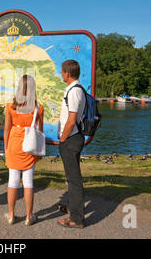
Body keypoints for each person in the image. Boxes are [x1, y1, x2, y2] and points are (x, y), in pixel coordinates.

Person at [3, 75, 44, 226]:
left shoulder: (10, 107)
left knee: (12, 180)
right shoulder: (38, 108)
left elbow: (7, 129)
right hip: (30, 146)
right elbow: (40, 131)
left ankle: (11, 215)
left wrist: (6, 149)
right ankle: (29, 216)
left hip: (14, 144)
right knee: (28, 182)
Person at [57, 59, 87, 229]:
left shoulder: (74, 91)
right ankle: (73, 208)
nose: (61, 74)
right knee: (72, 177)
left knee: (73, 179)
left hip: (71, 139)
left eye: (62, 71)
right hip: (72, 138)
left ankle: (76, 219)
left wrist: (63, 138)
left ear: (67, 73)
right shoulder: (74, 90)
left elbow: (71, 120)